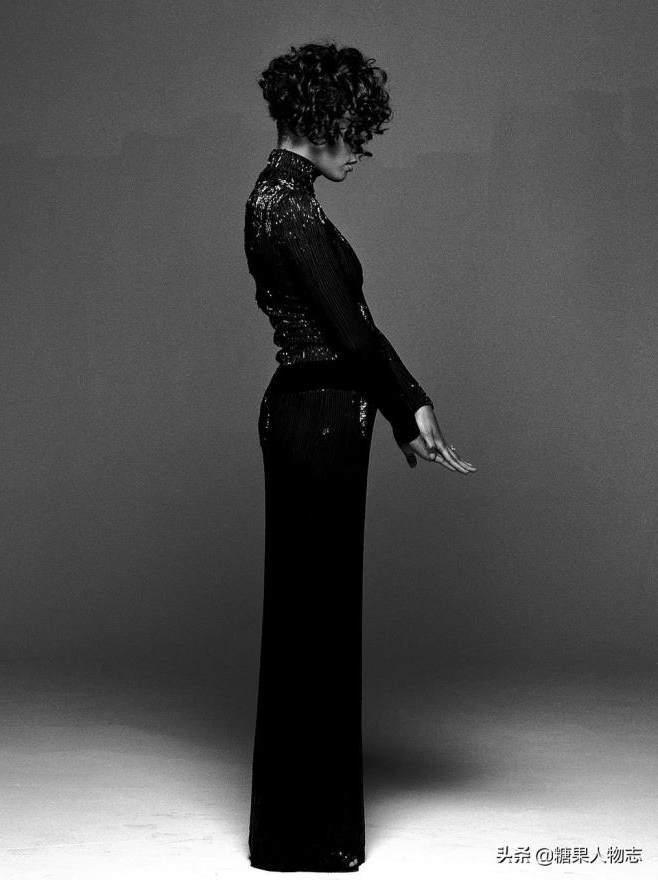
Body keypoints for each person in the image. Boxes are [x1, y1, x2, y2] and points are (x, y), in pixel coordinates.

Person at [244, 42, 476, 873]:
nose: (362, 150)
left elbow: (353, 328)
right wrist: (413, 402)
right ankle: (304, 837)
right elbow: (350, 335)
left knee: (319, 618)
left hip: (326, 416)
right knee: (314, 623)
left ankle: (306, 832)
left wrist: (403, 408)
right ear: (320, 120)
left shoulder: (288, 198)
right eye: (355, 131)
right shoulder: (285, 207)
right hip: (315, 420)